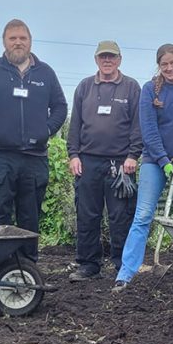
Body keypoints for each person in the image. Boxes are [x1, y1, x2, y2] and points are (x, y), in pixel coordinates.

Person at [0, 19, 67, 261]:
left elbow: (60, 107)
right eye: (13, 38)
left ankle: (26, 270)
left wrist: (46, 130)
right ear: (4, 42)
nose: (18, 42)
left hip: (34, 158)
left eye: (23, 38)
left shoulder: (46, 73)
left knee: (29, 218)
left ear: (30, 41)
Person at [113, 44, 173, 292]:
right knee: (143, 215)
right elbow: (149, 130)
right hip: (155, 164)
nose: (169, 68)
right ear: (159, 65)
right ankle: (126, 274)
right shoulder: (150, 90)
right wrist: (164, 161)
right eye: (164, 64)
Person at [66, 40, 142, 281]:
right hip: (87, 162)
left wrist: (133, 155)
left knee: (121, 216)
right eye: (103, 57)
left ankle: (122, 264)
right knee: (87, 214)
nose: (107, 61)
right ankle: (89, 265)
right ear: (96, 60)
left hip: (120, 164)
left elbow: (137, 125)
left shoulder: (131, 88)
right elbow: (75, 124)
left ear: (119, 59)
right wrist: (73, 155)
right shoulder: (84, 87)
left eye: (111, 57)